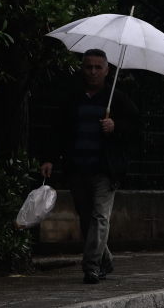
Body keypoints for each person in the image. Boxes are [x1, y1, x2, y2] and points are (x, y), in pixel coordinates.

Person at [40, 48, 142, 284]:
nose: (93, 71)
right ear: (82, 68)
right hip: (77, 169)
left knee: (100, 217)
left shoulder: (117, 99)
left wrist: (116, 127)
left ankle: (91, 267)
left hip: (104, 171)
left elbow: (137, 128)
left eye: (98, 67)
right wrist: (49, 158)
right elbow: (58, 131)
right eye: (89, 66)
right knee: (87, 220)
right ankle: (104, 260)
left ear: (107, 70)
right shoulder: (73, 98)